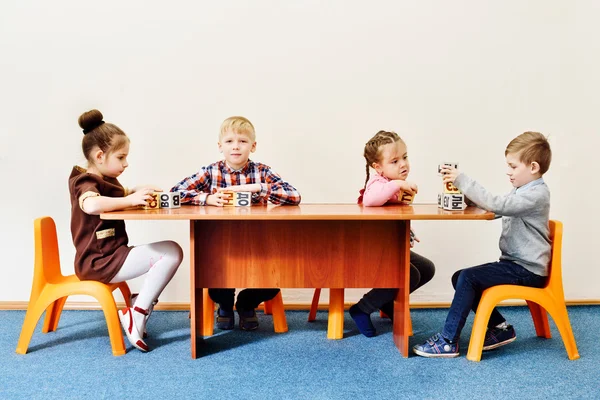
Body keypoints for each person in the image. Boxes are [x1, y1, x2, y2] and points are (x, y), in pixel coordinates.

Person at [413, 131, 552, 358]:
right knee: (461, 277)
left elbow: (496, 203)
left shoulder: (536, 195)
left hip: (527, 270)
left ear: (533, 167)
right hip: (516, 265)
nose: (508, 171)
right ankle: (499, 328)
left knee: (468, 277)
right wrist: (466, 198)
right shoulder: (522, 192)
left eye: (513, 166)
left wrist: (463, 180)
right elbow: (495, 208)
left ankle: (448, 341)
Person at [170, 116, 301, 331]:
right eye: (230, 141)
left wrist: (256, 188)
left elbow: (294, 196)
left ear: (253, 146)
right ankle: (224, 305)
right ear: (220, 146)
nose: (236, 146)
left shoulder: (262, 172)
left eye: (242, 141)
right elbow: (175, 192)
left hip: (259, 245)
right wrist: (206, 198)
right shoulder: (210, 172)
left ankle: (245, 304)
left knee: (275, 279)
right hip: (221, 247)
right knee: (214, 275)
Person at [69, 109, 183, 352]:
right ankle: (138, 312)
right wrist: (131, 201)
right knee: (171, 252)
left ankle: (138, 304)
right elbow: (92, 204)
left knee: (171, 251)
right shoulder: (85, 182)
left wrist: (139, 191)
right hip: (99, 262)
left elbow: (117, 194)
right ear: (100, 156)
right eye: (121, 157)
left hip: (109, 255)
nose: (126, 163)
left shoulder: (105, 180)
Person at [350, 130, 436, 337]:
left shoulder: (392, 185)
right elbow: (371, 200)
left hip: (389, 245)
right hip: (373, 250)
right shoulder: (378, 184)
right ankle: (362, 308)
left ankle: (387, 302)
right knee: (410, 274)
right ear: (377, 167)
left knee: (426, 268)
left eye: (405, 157)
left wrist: (408, 231)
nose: (403, 164)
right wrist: (397, 184)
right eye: (395, 161)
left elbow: (393, 214)